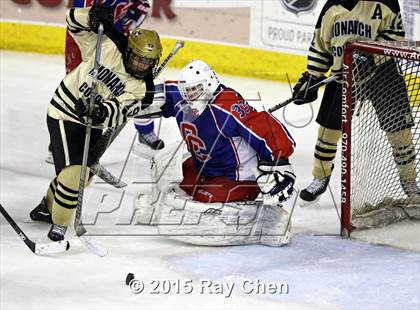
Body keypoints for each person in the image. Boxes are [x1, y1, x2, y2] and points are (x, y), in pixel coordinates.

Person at [30, 4, 162, 241]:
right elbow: (72, 22)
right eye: (139, 59)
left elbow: (120, 111)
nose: (143, 66)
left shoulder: (144, 90)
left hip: (93, 124)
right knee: (75, 175)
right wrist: (88, 16)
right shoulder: (108, 42)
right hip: (65, 110)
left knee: (85, 174)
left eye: (148, 62)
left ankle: (46, 207)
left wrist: (100, 112)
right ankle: (59, 227)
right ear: (129, 51)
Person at [135, 60, 297, 246]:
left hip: (238, 175)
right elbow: (162, 92)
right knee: (168, 180)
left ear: (209, 83)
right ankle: (160, 208)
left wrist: (281, 164)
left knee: (204, 200)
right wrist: (138, 97)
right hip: (205, 167)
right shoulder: (182, 98)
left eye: (195, 90)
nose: (190, 96)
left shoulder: (228, 105)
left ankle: (268, 221)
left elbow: (263, 127)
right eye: (187, 91)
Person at [292, 0, 419, 205]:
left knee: (400, 132)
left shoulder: (385, 3)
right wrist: (312, 78)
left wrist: (371, 55)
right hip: (342, 77)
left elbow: (395, 35)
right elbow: (320, 45)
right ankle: (320, 177)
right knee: (327, 132)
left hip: (383, 74)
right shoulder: (331, 7)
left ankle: (409, 181)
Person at [46, 0, 163, 163]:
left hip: (113, 43)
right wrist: (92, 17)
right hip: (88, 38)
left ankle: (144, 129)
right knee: (82, 85)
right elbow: (79, 14)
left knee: (127, 91)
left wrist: (124, 45)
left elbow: (133, 20)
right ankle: (62, 140)